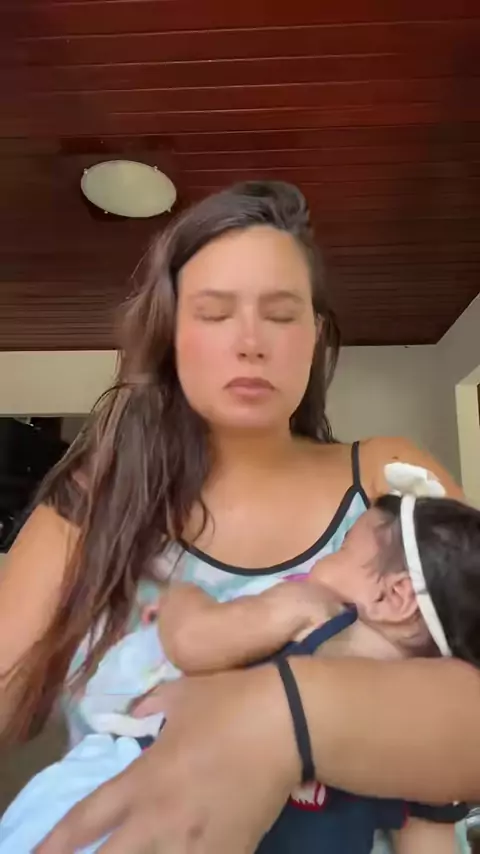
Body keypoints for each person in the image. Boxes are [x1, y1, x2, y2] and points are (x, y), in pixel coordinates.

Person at [0, 181, 477, 854]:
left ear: (315, 336)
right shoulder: (90, 508)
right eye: (214, 312)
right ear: (172, 335)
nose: (250, 342)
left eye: (280, 314)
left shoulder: (387, 486)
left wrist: (283, 718)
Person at [2, 465, 480, 853]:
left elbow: (191, 642)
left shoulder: (309, 611)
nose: (320, 565)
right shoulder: (429, 742)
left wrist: (179, 597)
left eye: (342, 550)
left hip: (150, 795)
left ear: (393, 596)